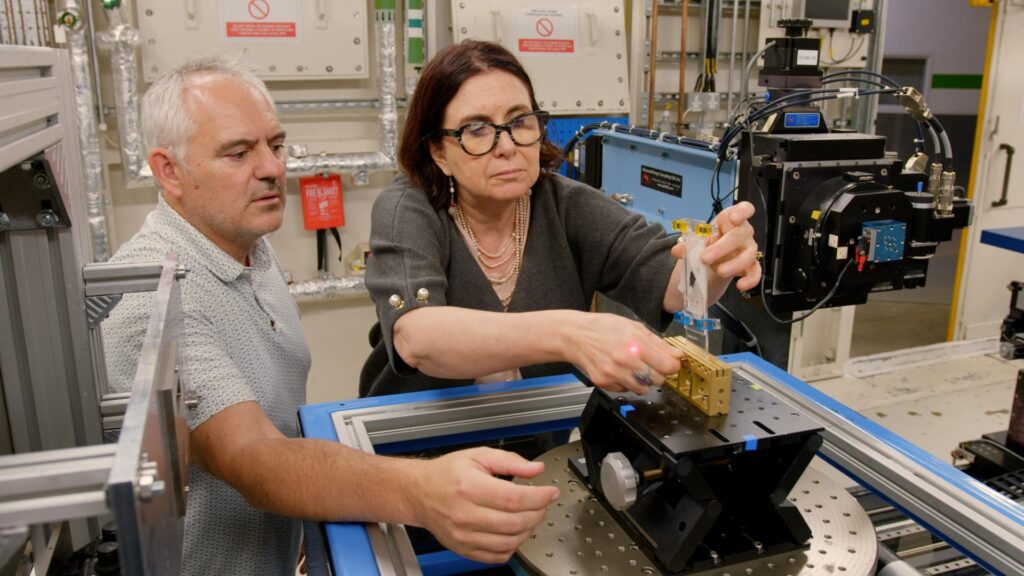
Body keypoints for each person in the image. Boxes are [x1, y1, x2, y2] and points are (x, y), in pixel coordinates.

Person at [102, 55, 560, 576]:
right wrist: (421, 490)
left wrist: (302, 525)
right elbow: (251, 455)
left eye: (274, 145)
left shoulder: (248, 249)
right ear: (169, 171)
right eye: (238, 153)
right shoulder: (151, 300)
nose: (273, 168)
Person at [360, 40, 761, 398]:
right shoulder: (408, 210)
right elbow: (417, 337)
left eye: (519, 122)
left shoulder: (567, 205)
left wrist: (714, 260)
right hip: (418, 443)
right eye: (477, 129)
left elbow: (672, 285)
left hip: (535, 441)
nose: (507, 146)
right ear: (438, 152)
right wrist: (571, 334)